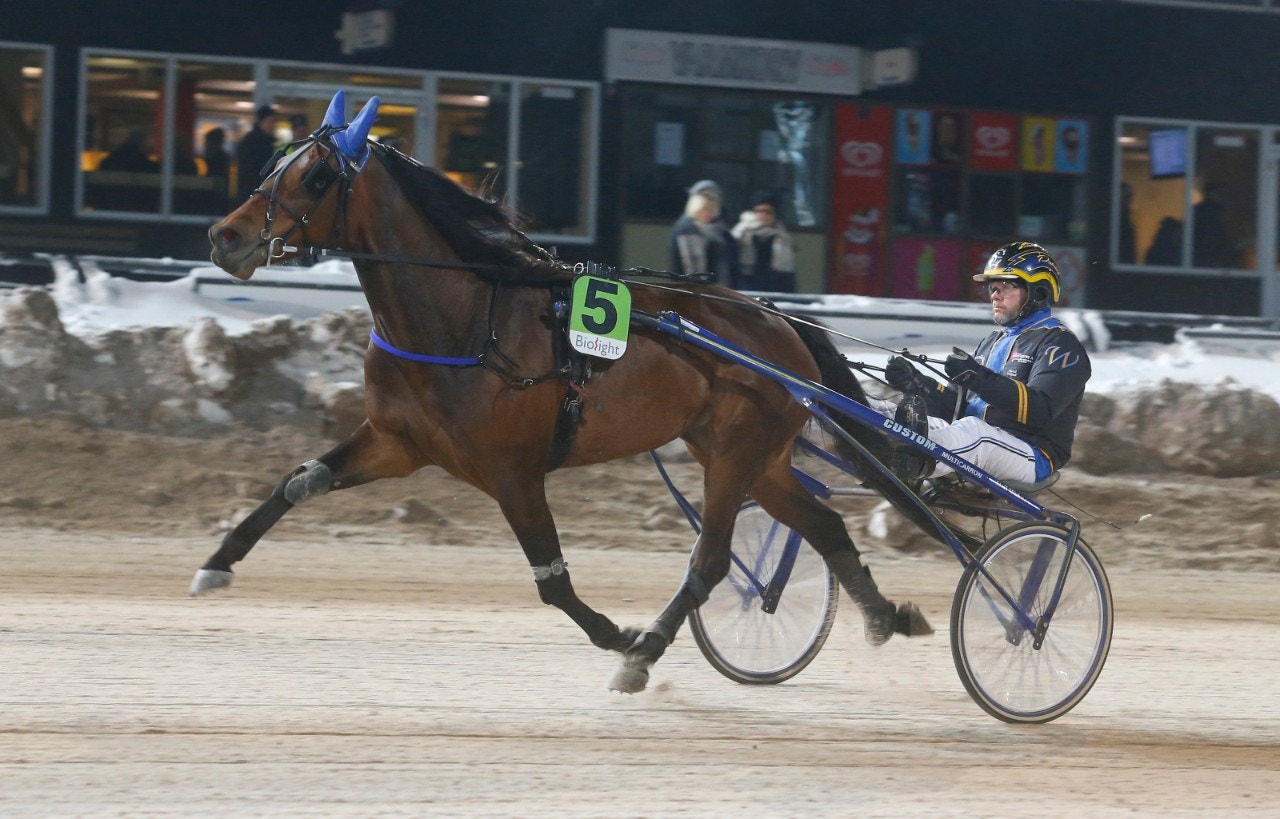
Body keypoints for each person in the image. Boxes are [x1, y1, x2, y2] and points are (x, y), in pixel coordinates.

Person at [880, 242, 1091, 487]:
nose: (994, 295)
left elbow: (1040, 410)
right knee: (888, 412)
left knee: (974, 432)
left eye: (1006, 286)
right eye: (993, 287)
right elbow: (955, 409)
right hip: (976, 441)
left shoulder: (1060, 344)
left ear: (1039, 292)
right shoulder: (992, 341)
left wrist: (976, 377)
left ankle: (909, 461)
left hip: (1032, 455)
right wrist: (916, 383)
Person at [669, 179, 739, 286]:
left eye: (711, 208)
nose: (707, 213)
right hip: (689, 289)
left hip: (721, 289)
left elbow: (732, 265)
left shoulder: (723, 232)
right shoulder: (682, 231)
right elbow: (676, 267)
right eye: (703, 208)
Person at [731, 191, 796, 292]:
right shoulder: (743, 230)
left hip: (774, 283)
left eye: (768, 212)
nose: (763, 215)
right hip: (747, 281)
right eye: (759, 211)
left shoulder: (782, 235)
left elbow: (788, 267)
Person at [235, 104, 280, 202]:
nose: (272, 125)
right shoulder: (253, 143)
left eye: (273, 122)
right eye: (269, 121)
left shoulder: (266, 142)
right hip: (253, 192)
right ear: (261, 122)